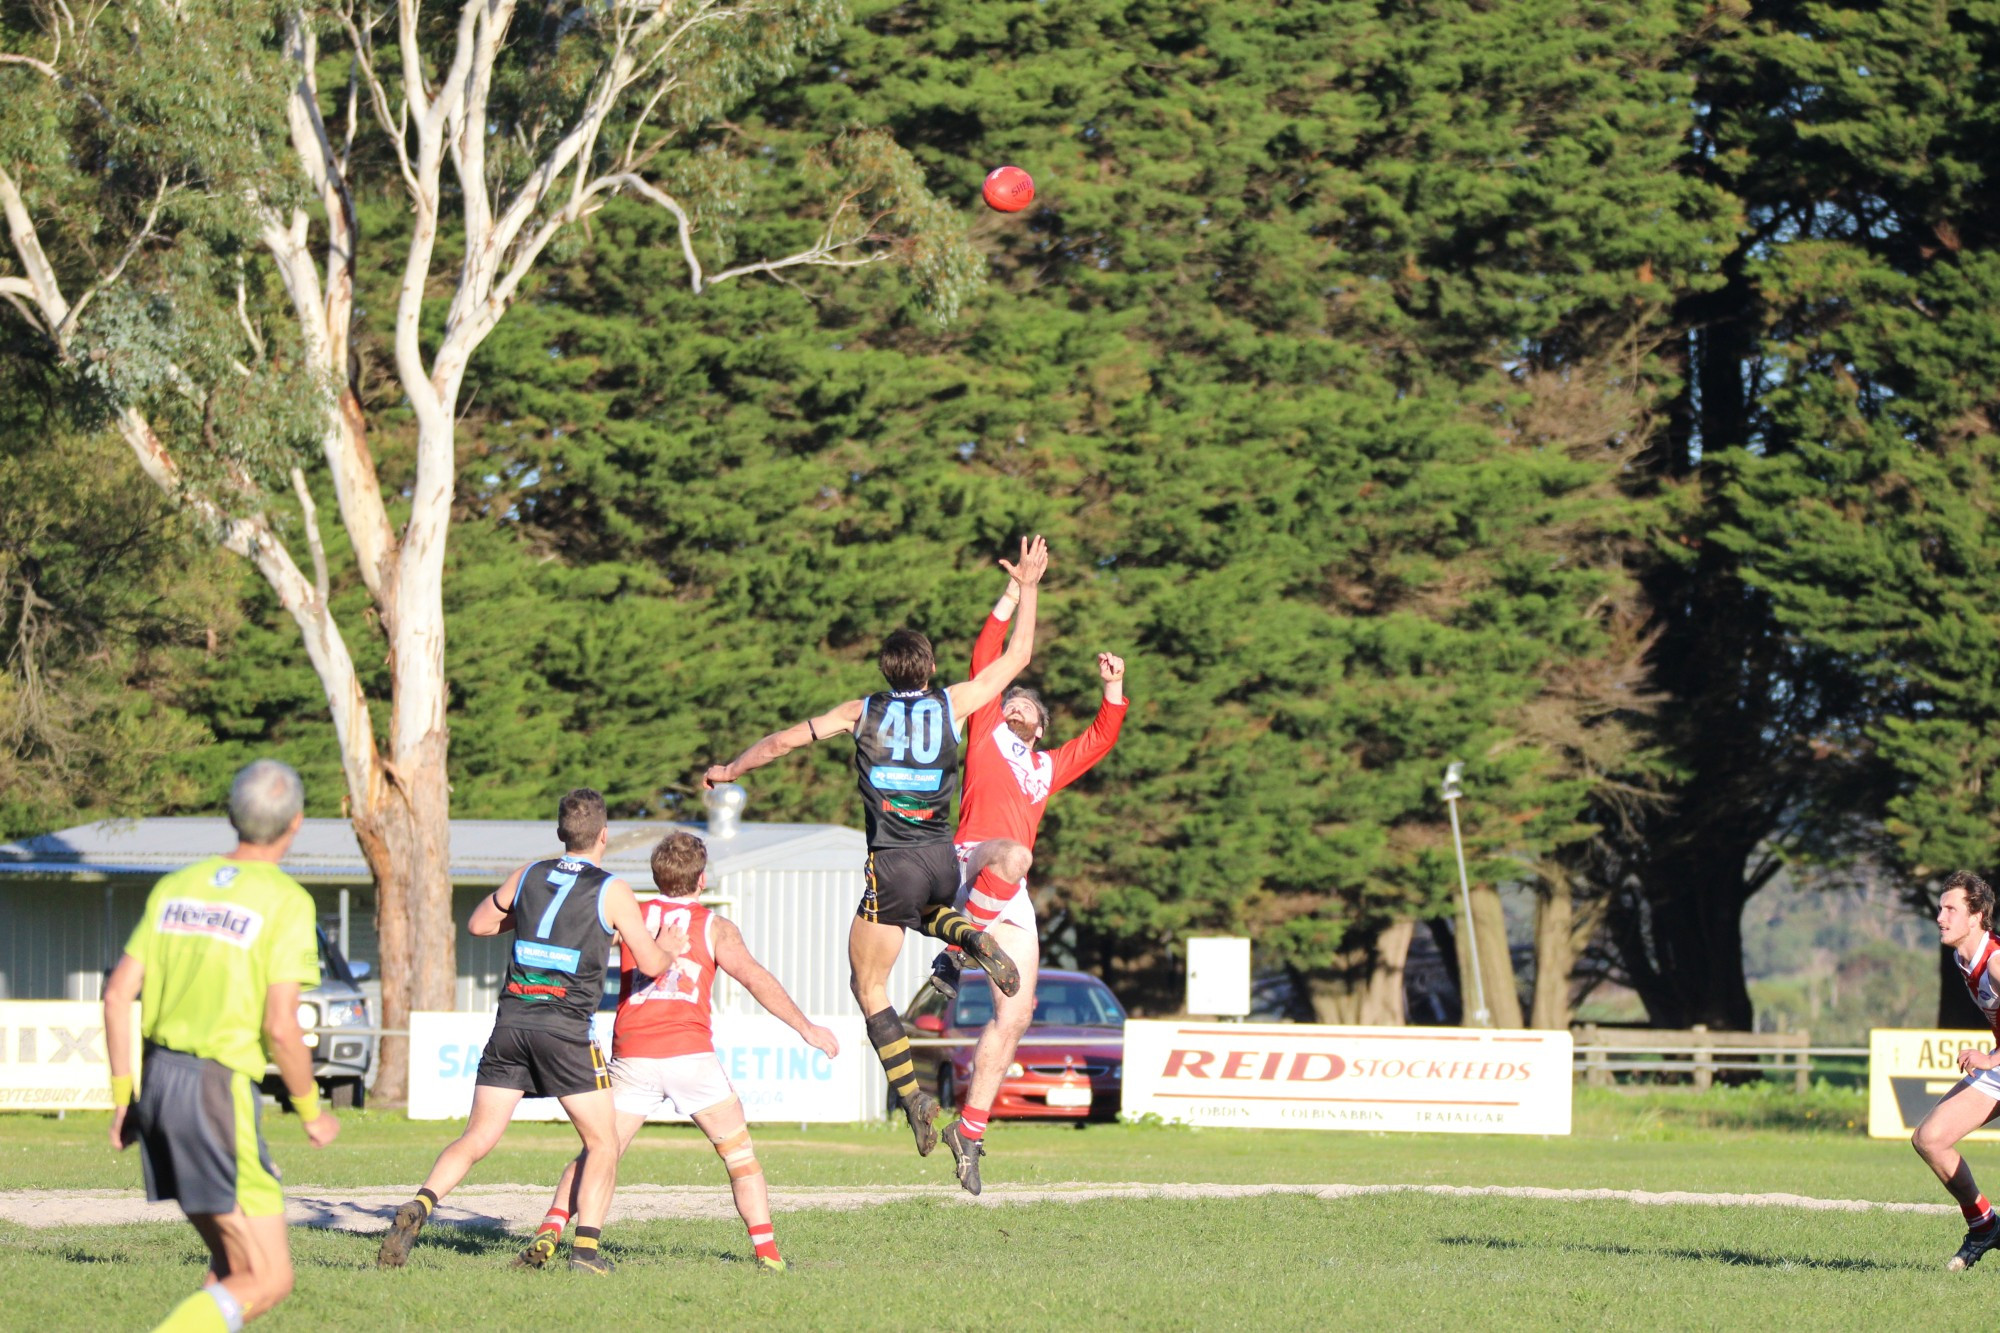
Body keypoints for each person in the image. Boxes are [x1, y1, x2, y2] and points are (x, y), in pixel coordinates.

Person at [703, 535, 1049, 1156]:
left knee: (869, 989)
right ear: (931, 669)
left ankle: (915, 1098)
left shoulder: (859, 711)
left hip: (889, 864)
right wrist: (1027, 589)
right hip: (944, 860)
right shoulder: (956, 703)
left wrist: (731, 770)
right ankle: (969, 935)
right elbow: (1018, 655)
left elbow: (783, 742)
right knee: (926, 917)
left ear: (885, 673)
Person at [376, 789, 684, 1275]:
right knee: (603, 1143)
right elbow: (648, 961)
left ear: (560, 833)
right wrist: (667, 947)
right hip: (565, 1031)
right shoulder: (613, 889)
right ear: (604, 835)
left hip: (512, 1024)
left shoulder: (529, 874)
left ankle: (421, 1203)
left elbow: (479, 924)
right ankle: (585, 1253)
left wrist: (534, 922)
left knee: (476, 1137)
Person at [518, 831, 839, 1273]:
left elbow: (578, 944)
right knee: (740, 1158)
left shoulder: (631, 913)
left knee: (599, 1150)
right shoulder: (716, 927)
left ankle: (551, 1226)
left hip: (634, 1055)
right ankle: (769, 1256)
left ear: (656, 875)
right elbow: (755, 978)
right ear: (702, 879)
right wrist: (806, 1027)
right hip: (691, 1057)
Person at [102, 759, 340, 1333]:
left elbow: (115, 996)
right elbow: (281, 1026)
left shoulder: (176, 886)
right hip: (214, 1093)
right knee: (269, 1279)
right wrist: (311, 1110)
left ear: (231, 815)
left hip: (157, 1081)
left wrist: (123, 1096)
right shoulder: (286, 902)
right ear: (297, 823)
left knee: (231, 1265)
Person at [931, 574, 1128, 1195]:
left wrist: (1113, 687)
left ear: (1039, 728)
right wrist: (1018, 593)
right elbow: (987, 657)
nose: (1014, 706)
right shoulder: (986, 727)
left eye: (1026, 707)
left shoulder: (1046, 764)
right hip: (972, 860)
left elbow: (1101, 738)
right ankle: (954, 951)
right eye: (1009, 701)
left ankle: (970, 1129)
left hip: (1005, 895)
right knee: (1016, 854)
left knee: (1016, 1016)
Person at [1915, 870, 2000, 1271]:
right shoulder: (1961, 957)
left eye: (1951, 908)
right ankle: (1985, 1226)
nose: (1940, 916)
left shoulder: (1996, 962)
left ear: (1977, 916)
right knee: (1930, 1138)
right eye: (1940, 907)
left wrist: (1989, 1058)